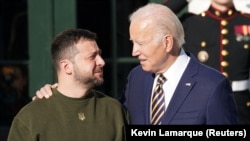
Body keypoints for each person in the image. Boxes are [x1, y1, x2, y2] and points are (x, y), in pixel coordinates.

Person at [35, 3, 238, 125]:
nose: (134, 52)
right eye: (133, 43)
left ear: (167, 42)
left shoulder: (213, 86)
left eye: (141, 44)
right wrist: (60, 94)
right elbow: (109, 116)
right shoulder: (137, 77)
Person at [7, 29, 129, 141]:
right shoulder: (30, 118)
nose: (101, 62)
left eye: (100, 55)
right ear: (67, 67)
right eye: (92, 57)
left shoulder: (114, 111)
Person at [164, 0, 250, 124]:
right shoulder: (192, 22)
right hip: (200, 106)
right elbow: (156, 17)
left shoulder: (246, 22)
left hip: (240, 108)